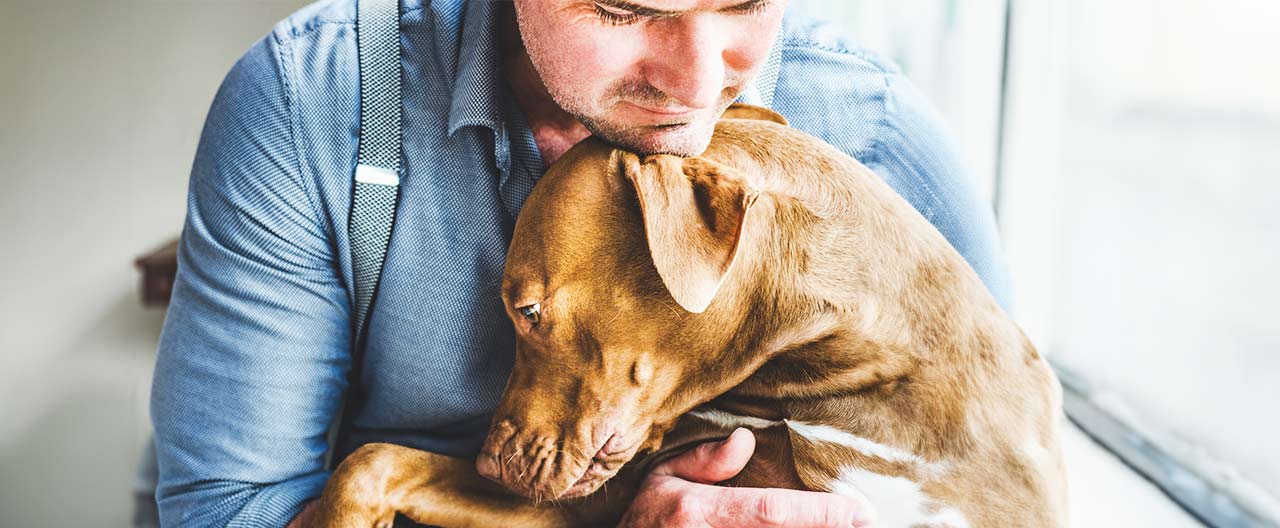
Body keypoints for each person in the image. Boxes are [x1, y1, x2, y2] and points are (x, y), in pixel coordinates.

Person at [148, 0, 1013, 526]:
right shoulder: (311, 103)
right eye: (623, 9)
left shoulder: (874, 137)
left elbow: (1005, 474)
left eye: (746, 2)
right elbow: (231, 516)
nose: (697, 83)